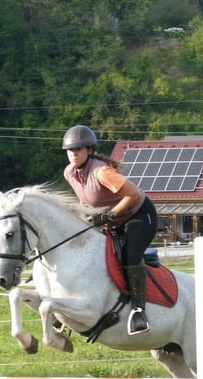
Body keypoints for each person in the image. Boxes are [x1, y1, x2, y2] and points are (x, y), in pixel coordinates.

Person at [62, 124, 158, 335]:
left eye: (78, 149)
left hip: (140, 215)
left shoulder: (102, 172)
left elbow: (132, 195)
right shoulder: (69, 173)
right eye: (70, 150)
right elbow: (85, 199)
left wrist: (111, 215)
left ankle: (139, 311)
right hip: (112, 221)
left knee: (129, 256)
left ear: (89, 150)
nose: (73, 154)